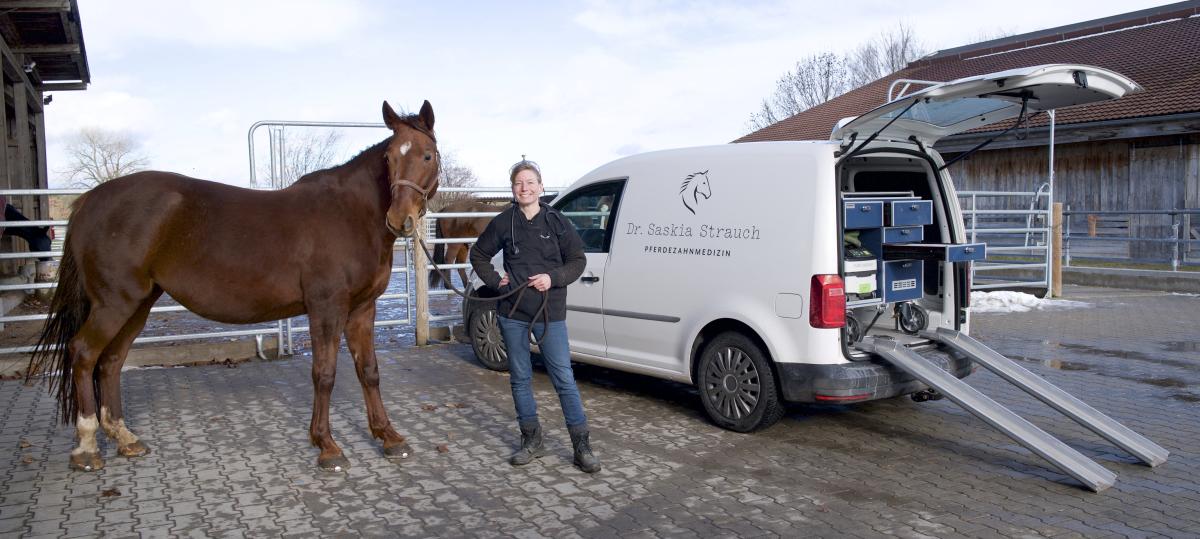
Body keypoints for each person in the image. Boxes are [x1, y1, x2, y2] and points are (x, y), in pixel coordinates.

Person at [468, 158, 600, 473]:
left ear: (540, 187)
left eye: (530, 182)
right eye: (518, 183)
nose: (524, 188)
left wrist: (552, 278)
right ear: (513, 189)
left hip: (548, 311)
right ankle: (531, 440)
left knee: (563, 378)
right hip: (512, 311)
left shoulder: (557, 221)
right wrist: (493, 280)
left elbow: (577, 260)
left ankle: (582, 446)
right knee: (520, 378)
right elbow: (479, 254)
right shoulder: (504, 222)